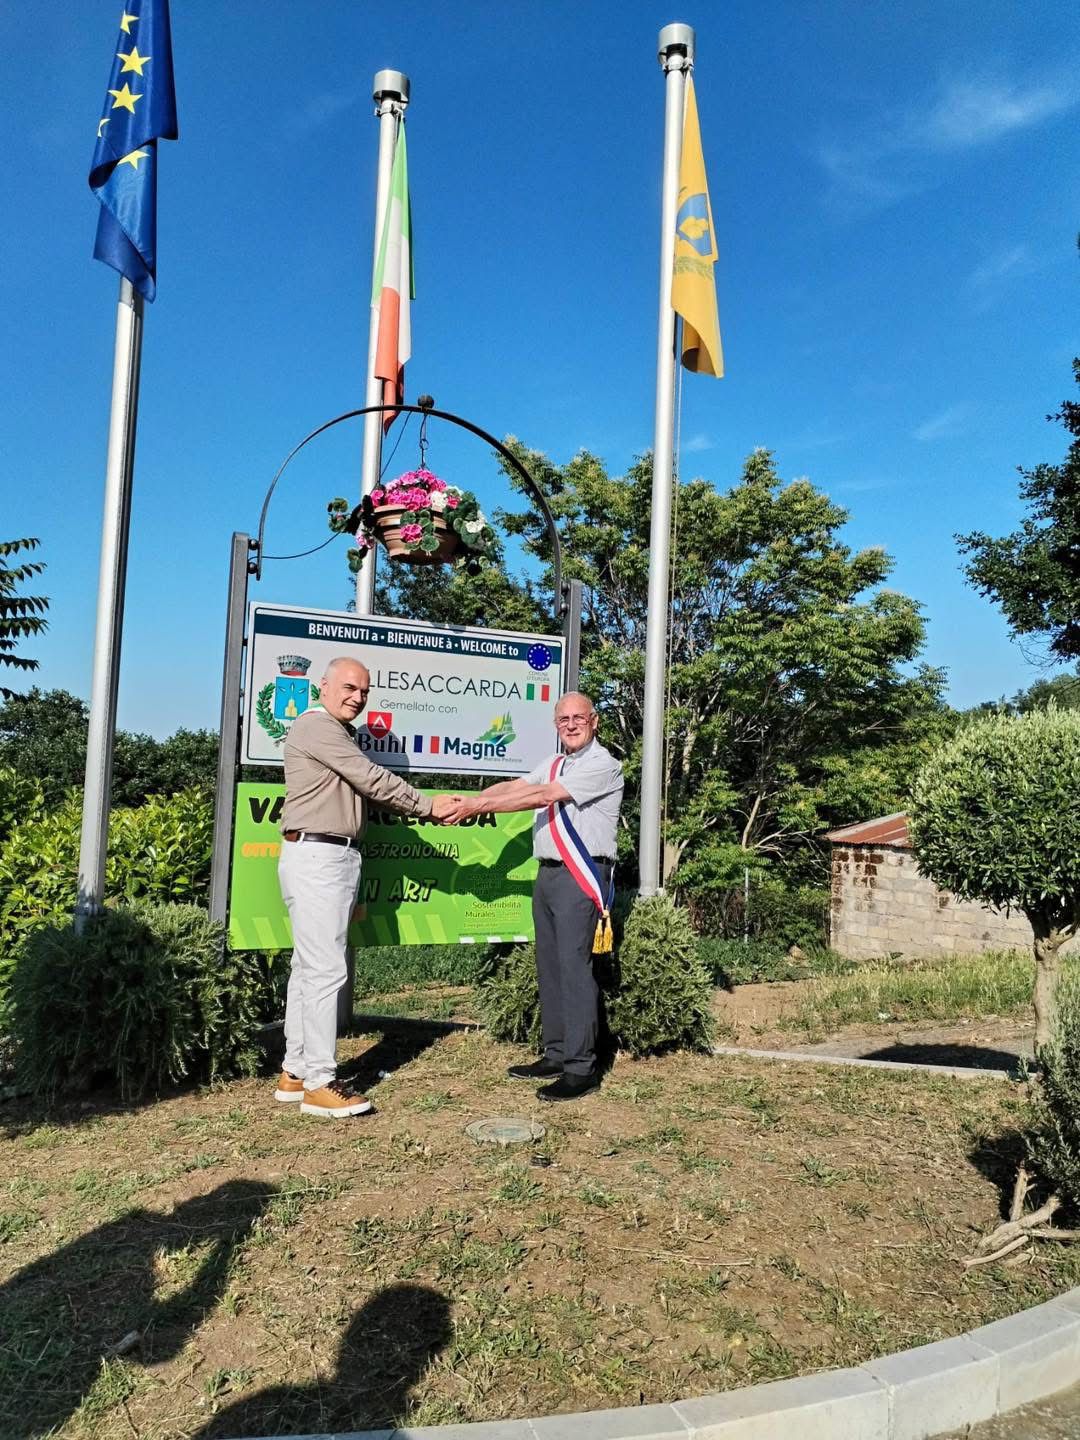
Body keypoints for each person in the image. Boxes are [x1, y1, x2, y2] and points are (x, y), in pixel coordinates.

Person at [276, 656, 457, 1117]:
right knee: (325, 970)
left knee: (309, 966)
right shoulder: (317, 727)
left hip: (322, 854)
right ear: (323, 686)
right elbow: (371, 779)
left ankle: (295, 1072)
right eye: (349, 687)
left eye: (364, 691)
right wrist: (429, 807)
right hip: (319, 856)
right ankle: (319, 1082)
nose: (357, 697)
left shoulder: (335, 732)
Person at [443, 691, 623, 1101]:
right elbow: (519, 785)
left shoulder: (602, 764)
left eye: (579, 717)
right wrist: (473, 799)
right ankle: (557, 1052)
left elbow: (542, 797)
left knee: (575, 970)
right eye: (564, 719)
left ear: (594, 721)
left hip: (581, 873)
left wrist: (474, 807)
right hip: (548, 874)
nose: (572, 725)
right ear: (556, 725)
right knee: (551, 966)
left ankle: (581, 1069)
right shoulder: (555, 762)